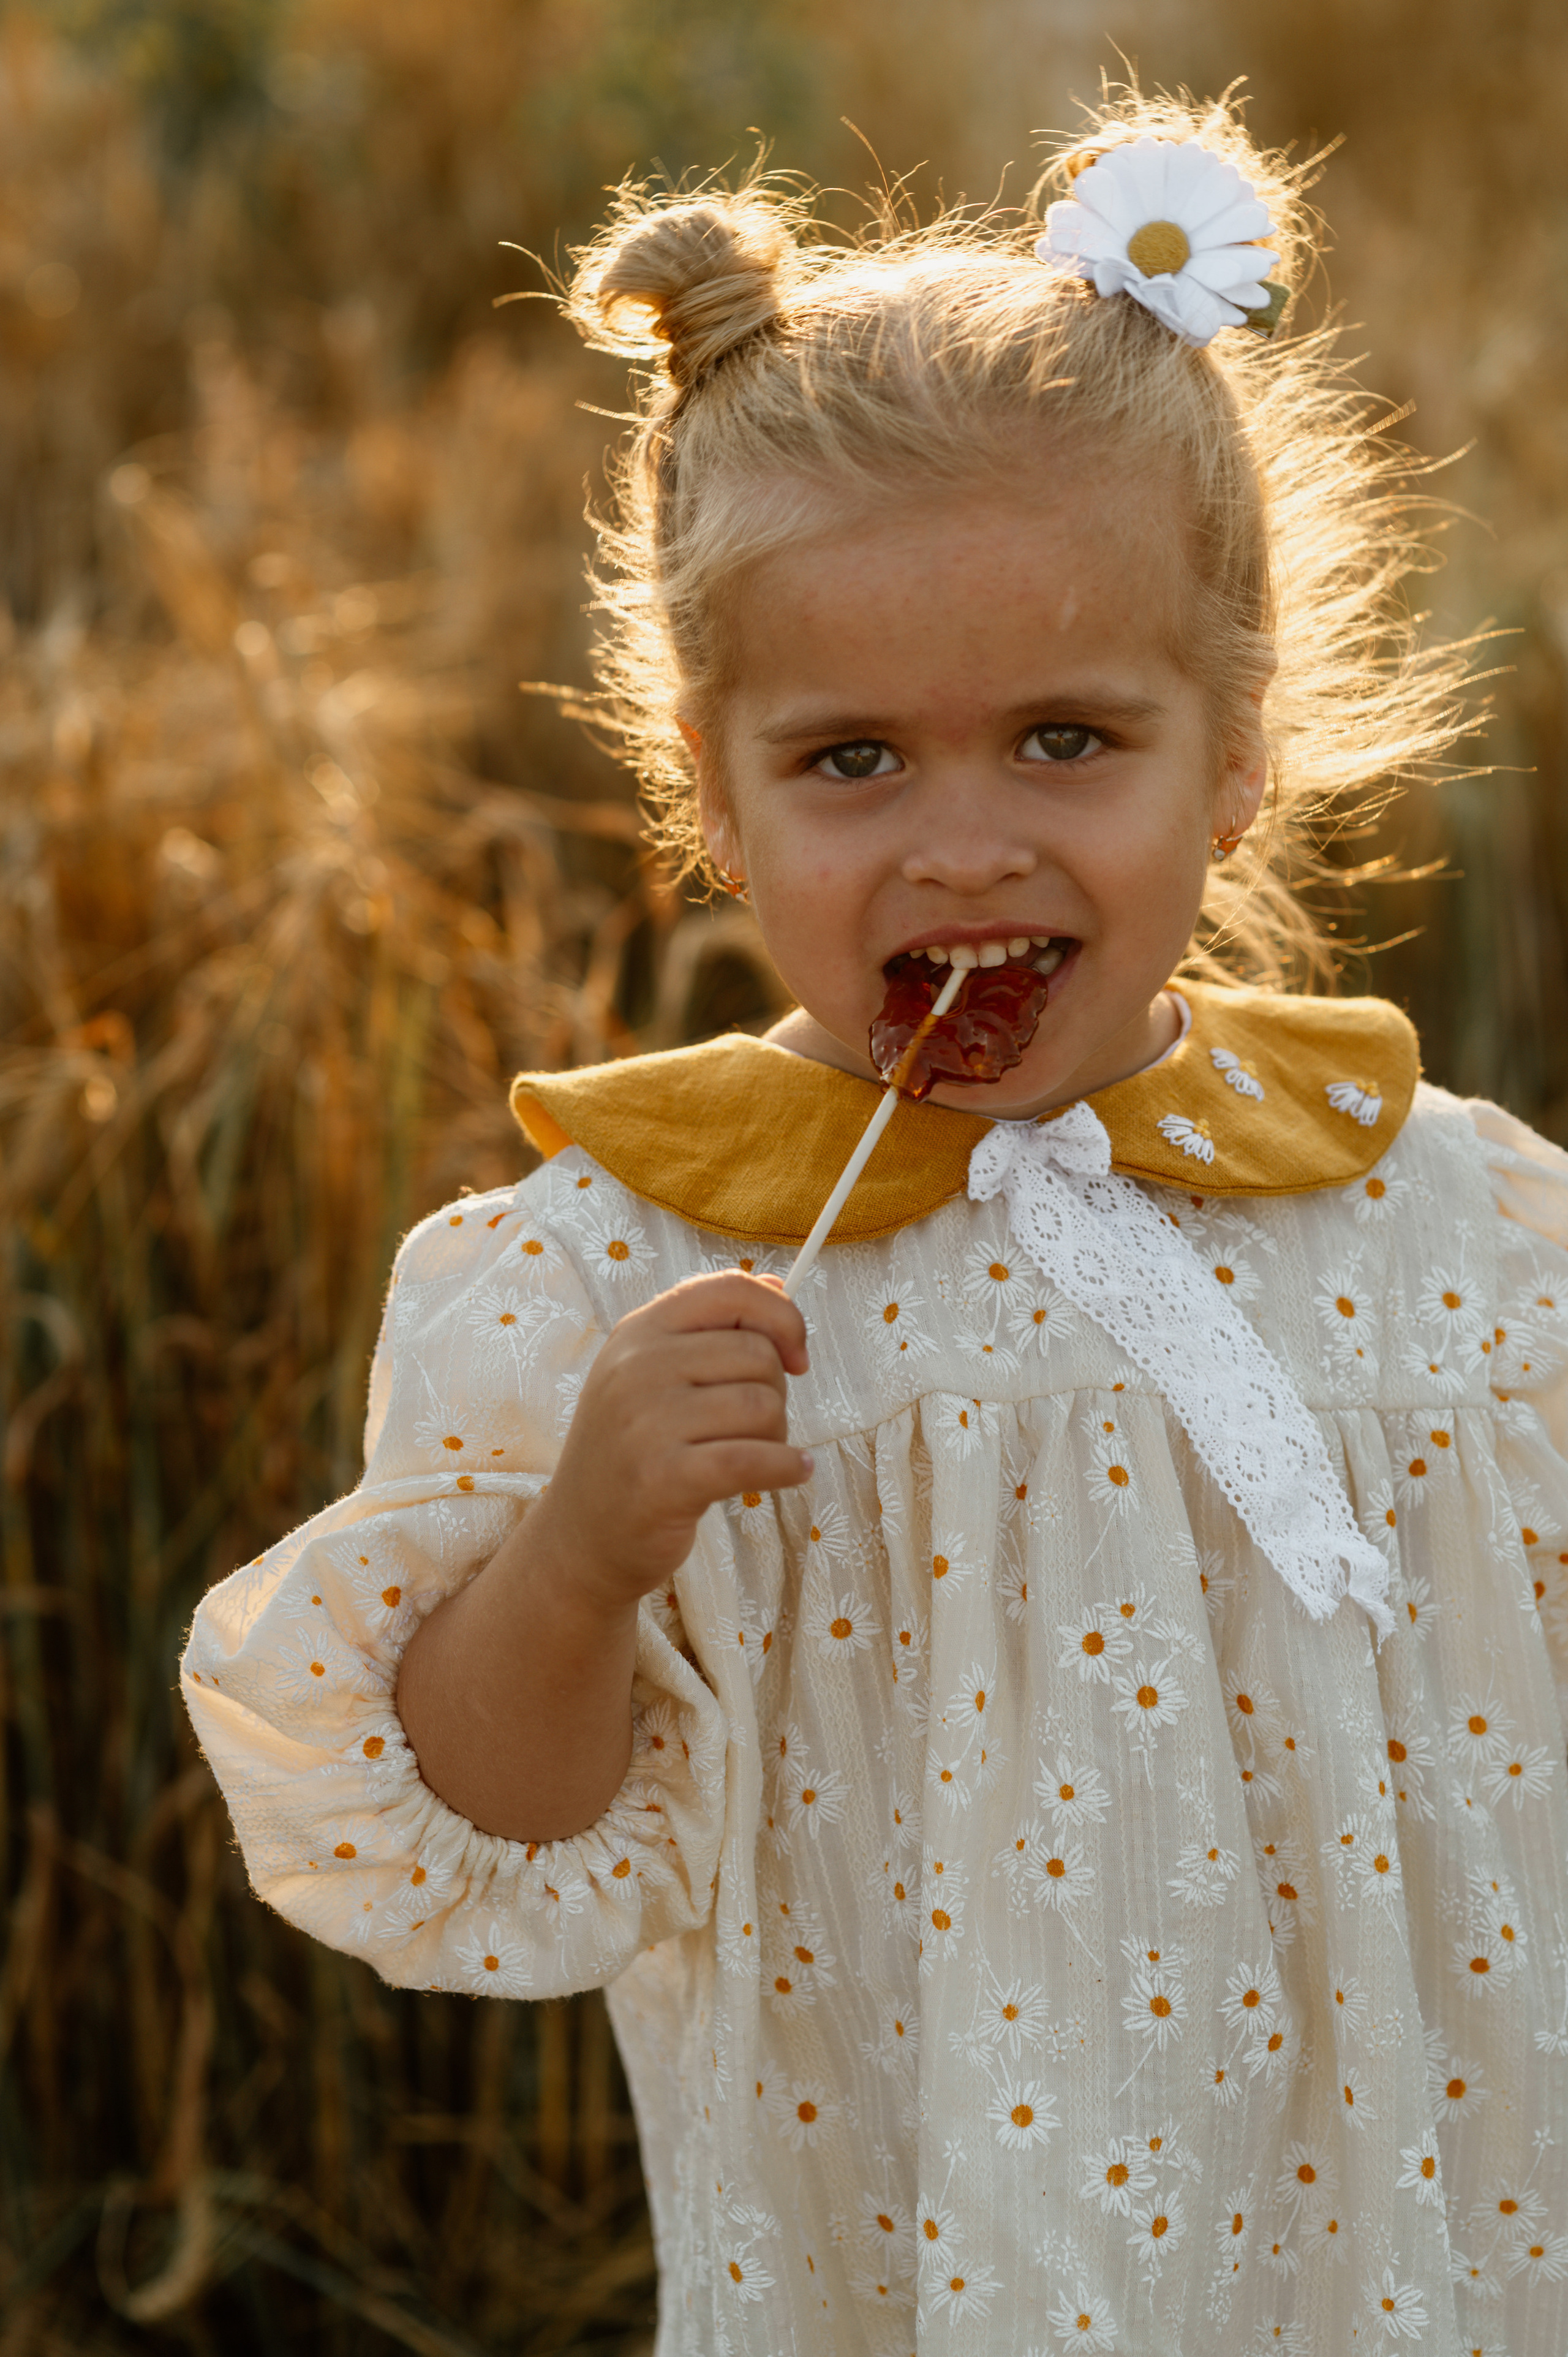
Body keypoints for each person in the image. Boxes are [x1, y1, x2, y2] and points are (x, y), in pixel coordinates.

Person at [182, 89, 1568, 2356]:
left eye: (1064, 742)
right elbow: (484, 1839)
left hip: (1417, 2254)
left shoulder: (1462, 1240)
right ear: (710, 798)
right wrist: (580, 1554)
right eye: (851, 762)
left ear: (1233, 754)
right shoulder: (614, 1276)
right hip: (911, 2263)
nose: (962, 846)